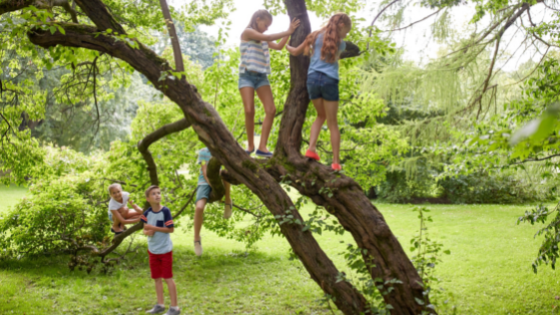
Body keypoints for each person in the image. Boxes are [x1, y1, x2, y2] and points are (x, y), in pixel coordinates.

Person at [286, 13, 352, 171]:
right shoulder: (341, 44)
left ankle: (311, 149)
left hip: (312, 80)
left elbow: (295, 51)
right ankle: (336, 162)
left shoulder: (314, 36)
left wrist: (286, 46)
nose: (346, 35)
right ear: (342, 25)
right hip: (330, 81)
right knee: (332, 123)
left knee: (320, 116)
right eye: (347, 31)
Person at [239, 10, 300, 157]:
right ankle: (250, 146)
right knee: (249, 110)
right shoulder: (248, 32)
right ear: (257, 19)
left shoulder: (263, 39)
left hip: (261, 77)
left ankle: (262, 147)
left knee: (271, 110)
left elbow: (278, 47)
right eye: (266, 24)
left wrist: (290, 33)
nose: (267, 28)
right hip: (246, 76)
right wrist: (288, 30)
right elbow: (269, 36)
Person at [141, 185, 180, 315]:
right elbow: (144, 228)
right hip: (152, 251)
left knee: (167, 278)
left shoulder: (165, 211)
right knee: (157, 278)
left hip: (165, 251)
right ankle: (160, 305)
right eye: (153, 194)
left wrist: (154, 228)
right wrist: (147, 232)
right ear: (148, 199)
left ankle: (175, 308)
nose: (157, 195)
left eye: (159, 193)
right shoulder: (147, 213)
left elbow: (171, 229)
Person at [194, 147, 232, 256]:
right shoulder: (202, 152)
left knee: (225, 174)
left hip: (219, 177)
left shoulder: (222, 148)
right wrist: (213, 186)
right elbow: (205, 172)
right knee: (199, 208)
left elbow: (226, 167)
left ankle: (228, 202)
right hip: (204, 181)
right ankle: (197, 239)